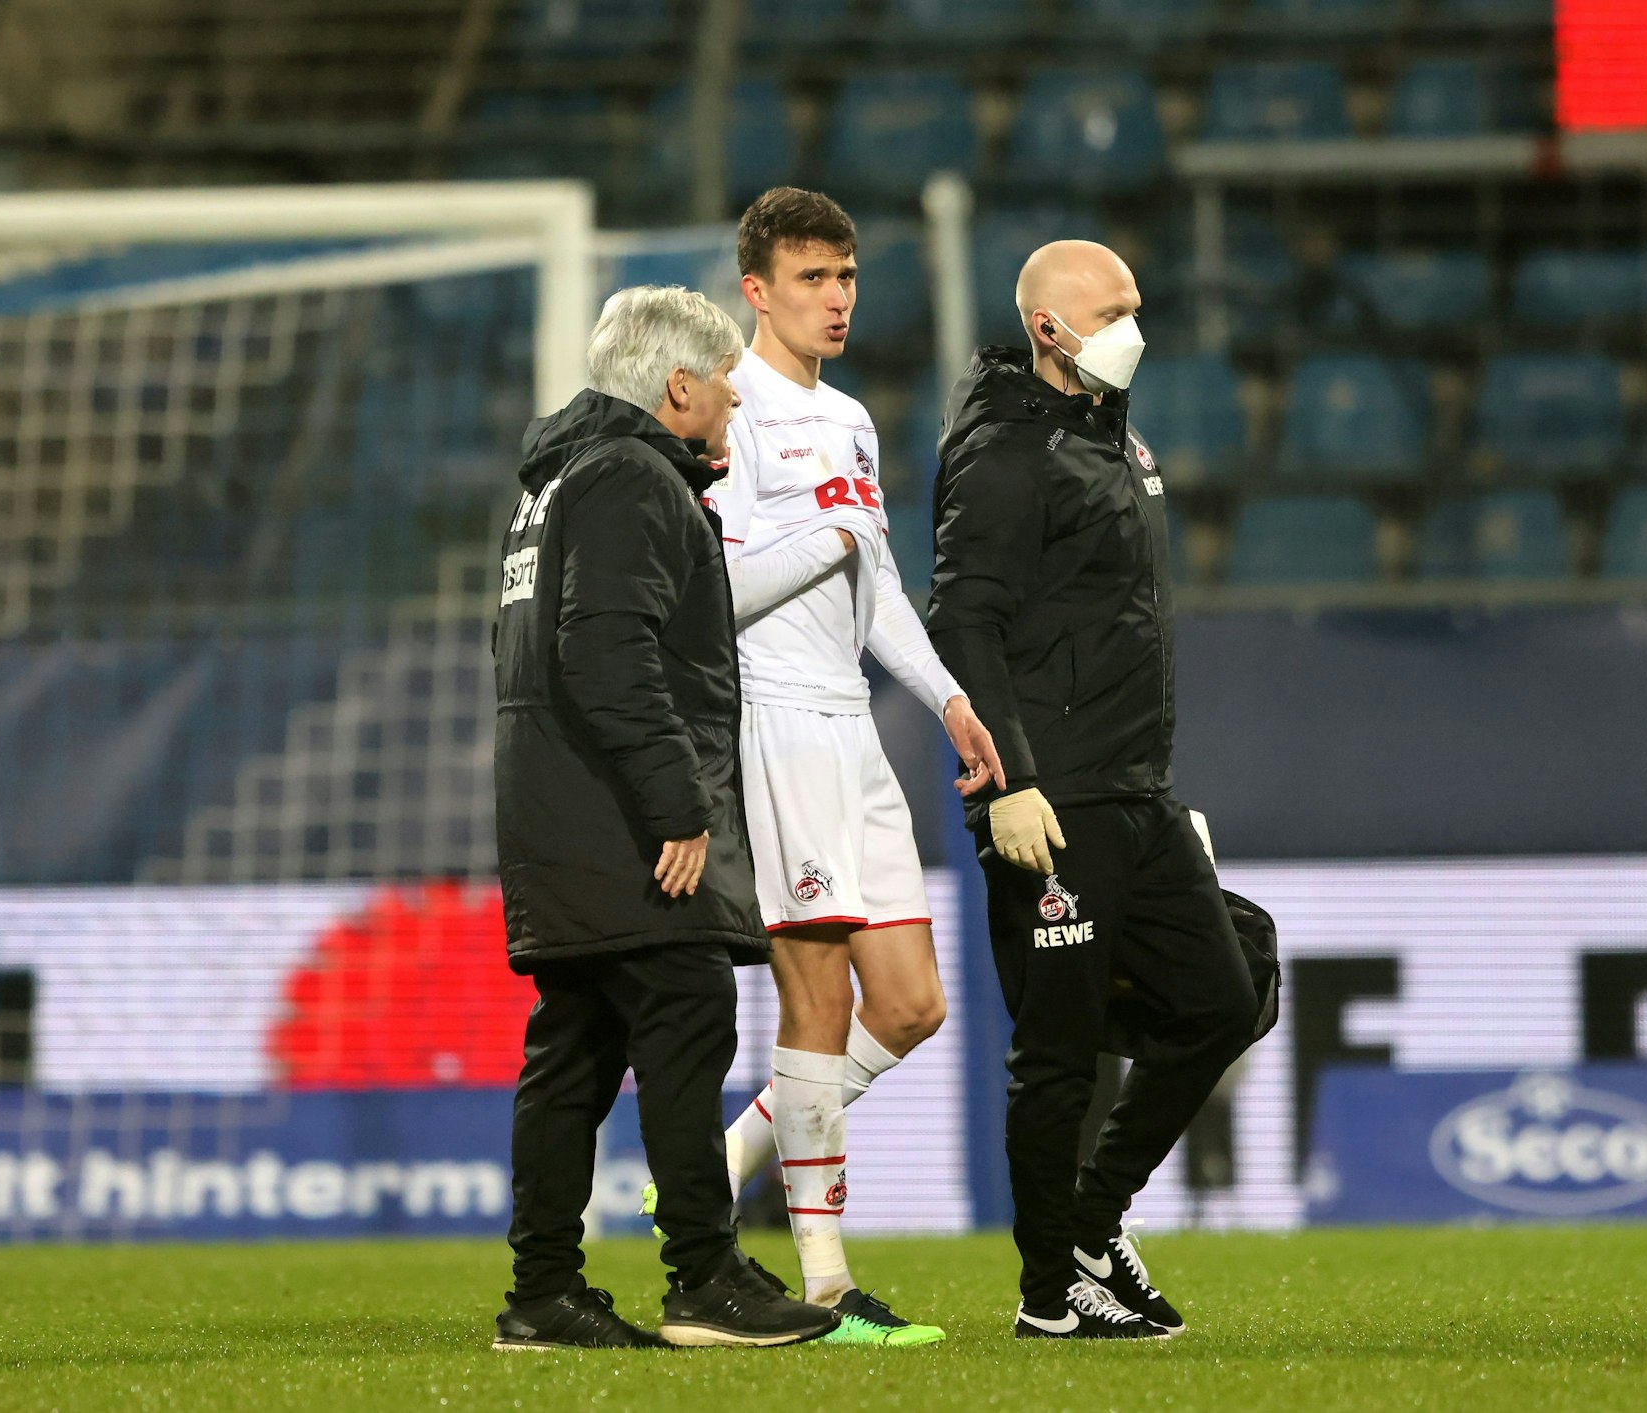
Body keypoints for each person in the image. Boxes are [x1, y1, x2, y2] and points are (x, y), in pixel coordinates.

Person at [491, 284, 839, 1351]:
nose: (735, 398)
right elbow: (607, 654)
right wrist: (675, 802)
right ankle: (702, 1279)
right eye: (723, 383)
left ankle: (543, 1295)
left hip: (556, 811)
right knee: (684, 1019)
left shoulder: (556, 484)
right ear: (677, 387)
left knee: (576, 1050)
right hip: (620, 818)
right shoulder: (628, 478)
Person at [926, 241, 1262, 1340]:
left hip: (1132, 788)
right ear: (1047, 331)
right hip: (1049, 796)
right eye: (1110, 309)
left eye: (1134, 302)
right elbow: (962, 620)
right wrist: (1007, 782)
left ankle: (1086, 1220)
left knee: (1225, 991)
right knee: (1057, 1056)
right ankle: (1045, 1296)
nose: (1134, 325)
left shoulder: (1109, 436)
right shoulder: (1005, 452)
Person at [702, 187, 1005, 1347]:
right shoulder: (728, 411)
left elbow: (874, 586)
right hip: (773, 719)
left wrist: (944, 699)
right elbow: (716, 596)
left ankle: (731, 1152)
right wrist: (823, 534)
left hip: (854, 724)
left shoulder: (852, 421)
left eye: (846, 278)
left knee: (913, 1004)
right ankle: (823, 1284)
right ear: (757, 289)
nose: (836, 300)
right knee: (819, 999)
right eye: (812, 279)